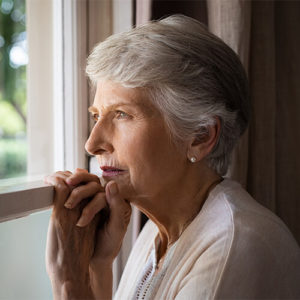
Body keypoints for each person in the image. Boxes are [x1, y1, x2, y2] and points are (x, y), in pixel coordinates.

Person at [44, 15, 300, 299]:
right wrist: (97, 265)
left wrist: (69, 282)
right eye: (96, 116)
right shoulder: (156, 234)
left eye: (122, 114)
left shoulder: (235, 246)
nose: (93, 144)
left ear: (200, 136)